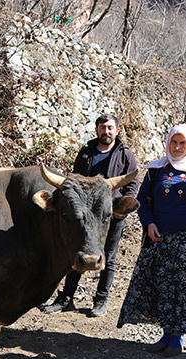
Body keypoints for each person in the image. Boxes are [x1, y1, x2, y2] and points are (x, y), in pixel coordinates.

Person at [116, 124, 186, 357]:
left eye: (182, 143)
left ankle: (177, 338)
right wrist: (150, 222)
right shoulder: (157, 169)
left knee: (184, 289)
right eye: (173, 142)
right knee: (163, 287)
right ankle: (166, 334)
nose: (176, 147)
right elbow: (143, 200)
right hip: (159, 240)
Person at [43, 113, 139, 317]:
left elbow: (132, 185)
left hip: (108, 215)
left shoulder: (125, 154)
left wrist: (119, 211)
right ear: (97, 130)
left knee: (109, 258)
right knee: (76, 252)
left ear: (117, 130)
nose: (106, 131)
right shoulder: (86, 152)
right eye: (103, 127)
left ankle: (100, 301)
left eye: (110, 128)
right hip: (84, 217)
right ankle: (65, 299)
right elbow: (74, 180)